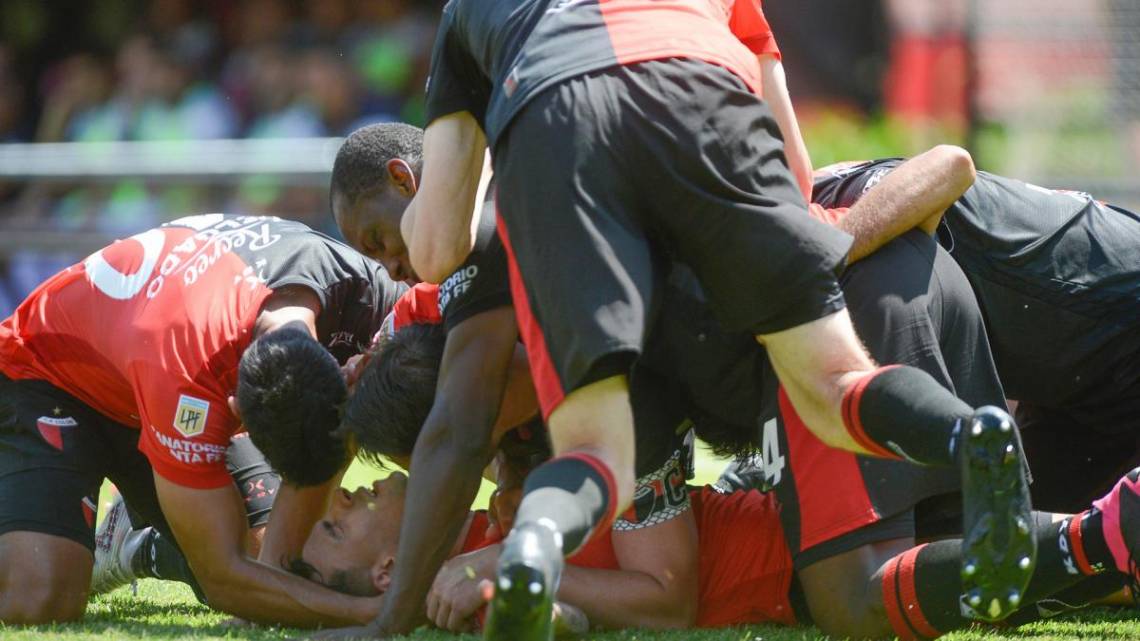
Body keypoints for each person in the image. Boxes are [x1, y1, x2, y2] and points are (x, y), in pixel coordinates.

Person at [397, 2, 1034, 637]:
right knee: (834, 384)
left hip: (557, 120)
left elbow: (435, 251)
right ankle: (966, 433)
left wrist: (407, 218)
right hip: (704, 91)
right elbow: (797, 174)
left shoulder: (468, 9)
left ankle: (533, 548)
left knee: (596, 450)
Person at [0, 214, 403, 625]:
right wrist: (378, 613)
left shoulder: (368, 301)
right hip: (52, 378)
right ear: (235, 411)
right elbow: (224, 580)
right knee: (37, 600)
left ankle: (140, 543)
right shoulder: (190, 371)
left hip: (155, 358)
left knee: (277, 561)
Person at [812, 156, 1140, 514]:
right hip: (1084, 384)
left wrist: (813, 266)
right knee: (1018, 543)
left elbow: (951, 164)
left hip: (1114, 320)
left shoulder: (836, 202)